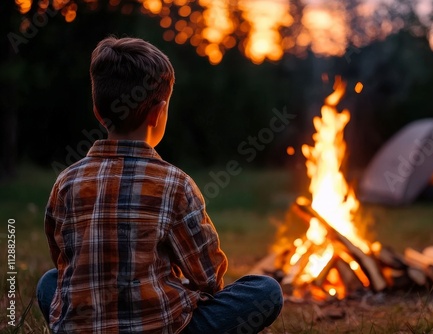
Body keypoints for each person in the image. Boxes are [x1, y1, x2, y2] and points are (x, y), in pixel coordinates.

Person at [37, 36, 283, 334]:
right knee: (266, 290)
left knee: (48, 282)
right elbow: (208, 277)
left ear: (98, 113)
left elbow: (65, 265)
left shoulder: (65, 182)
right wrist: (174, 286)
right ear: (158, 112)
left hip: (85, 326)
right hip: (161, 327)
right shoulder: (175, 184)